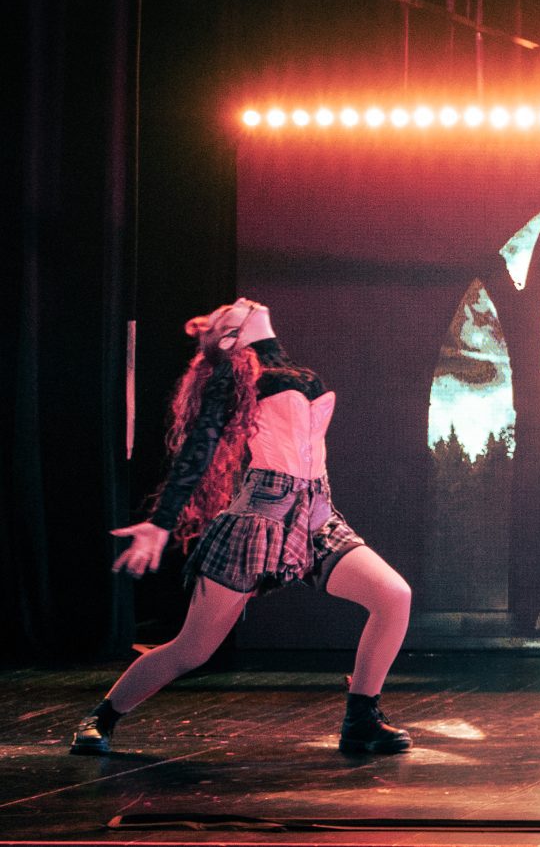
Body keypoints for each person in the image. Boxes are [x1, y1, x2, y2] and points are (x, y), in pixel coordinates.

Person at [72, 299, 414, 755]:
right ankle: (101, 718)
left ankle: (361, 720)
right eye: (229, 310)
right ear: (230, 337)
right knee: (192, 649)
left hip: (315, 515)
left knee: (393, 596)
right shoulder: (234, 380)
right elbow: (198, 449)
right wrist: (161, 523)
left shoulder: (296, 373)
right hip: (259, 519)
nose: (242, 301)